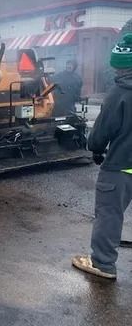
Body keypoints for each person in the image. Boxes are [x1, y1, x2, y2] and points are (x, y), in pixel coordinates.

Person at [72, 33, 132, 279]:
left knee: (109, 214)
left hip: (121, 166)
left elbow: (100, 134)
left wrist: (95, 148)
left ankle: (103, 263)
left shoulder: (119, 93)